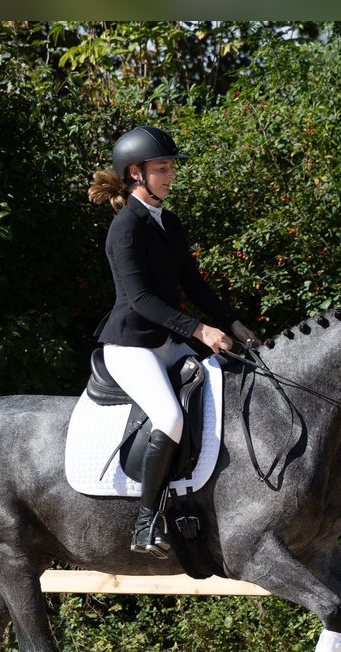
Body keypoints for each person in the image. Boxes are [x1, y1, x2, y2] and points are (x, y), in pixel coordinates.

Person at [88, 124, 261, 559]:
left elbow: (193, 284)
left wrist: (232, 322)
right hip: (132, 346)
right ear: (135, 173)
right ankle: (144, 526)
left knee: (228, 388)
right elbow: (141, 299)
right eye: (162, 168)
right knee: (169, 416)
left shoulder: (168, 222)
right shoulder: (125, 229)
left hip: (167, 339)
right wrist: (200, 331)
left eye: (169, 167)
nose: (170, 174)